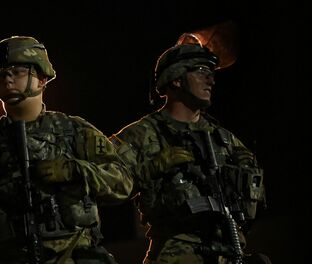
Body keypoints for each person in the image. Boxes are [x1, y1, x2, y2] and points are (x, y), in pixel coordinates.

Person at [0, 36, 134, 264]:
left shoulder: (73, 131)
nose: (8, 80)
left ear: (41, 79)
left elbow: (122, 181)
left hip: (70, 255)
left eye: (17, 72)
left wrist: (74, 171)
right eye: (1, 75)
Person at [113, 39, 270, 263]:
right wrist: (153, 167)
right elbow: (108, 185)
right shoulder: (142, 135)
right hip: (178, 250)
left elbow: (255, 196)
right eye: (201, 71)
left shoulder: (223, 138)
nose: (211, 80)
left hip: (229, 247)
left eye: (211, 72)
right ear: (176, 79)